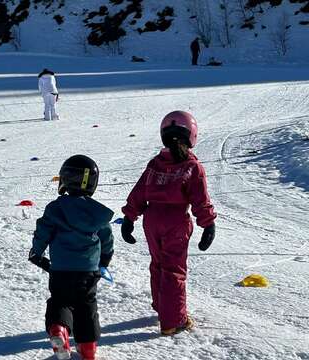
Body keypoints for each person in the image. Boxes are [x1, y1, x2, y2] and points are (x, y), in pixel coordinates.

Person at [120, 111, 217, 336]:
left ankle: (162, 307)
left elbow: (139, 191)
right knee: (174, 269)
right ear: (192, 135)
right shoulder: (192, 166)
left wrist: (129, 217)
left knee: (158, 264)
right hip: (176, 221)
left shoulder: (156, 163)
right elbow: (200, 198)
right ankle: (173, 321)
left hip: (152, 220)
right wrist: (208, 224)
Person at [28, 154, 114, 360]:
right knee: (87, 305)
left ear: (65, 179)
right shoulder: (96, 213)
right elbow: (107, 240)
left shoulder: (55, 209)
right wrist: (104, 260)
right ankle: (88, 348)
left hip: (60, 270)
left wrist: (36, 253)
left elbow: (43, 232)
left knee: (61, 301)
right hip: (88, 271)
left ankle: (59, 330)